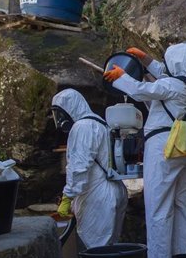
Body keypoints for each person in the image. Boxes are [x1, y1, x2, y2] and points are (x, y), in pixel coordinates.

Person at [103, 42, 186, 258]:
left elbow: (140, 90)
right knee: (182, 201)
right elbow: (168, 74)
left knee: (157, 201)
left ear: (174, 63)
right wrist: (146, 60)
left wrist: (121, 77)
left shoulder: (171, 85)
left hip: (164, 147)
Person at [51, 88, 128, 249]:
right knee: (110, 247)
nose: (59, 120)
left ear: (71, 108)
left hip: (97, 196)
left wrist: (68, 196)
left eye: (60, 114)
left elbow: (79, 166)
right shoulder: (100, 122)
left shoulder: (82, 127)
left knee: (98, 249)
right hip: (113, 190)